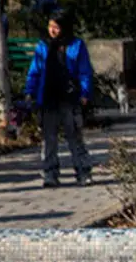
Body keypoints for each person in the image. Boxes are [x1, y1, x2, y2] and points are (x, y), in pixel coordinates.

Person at [23, 10, 94, 187]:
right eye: (50, 26)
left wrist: (85, 93)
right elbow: (35, 71)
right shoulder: (43, 46)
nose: (52, 30)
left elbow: (85, 71)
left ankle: (83, 171)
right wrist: (29, 91)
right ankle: (50, 173)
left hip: (69, 97)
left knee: (75, 137)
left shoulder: (76, 45)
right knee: (49, 139)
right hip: (48, 97)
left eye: (56, 27)